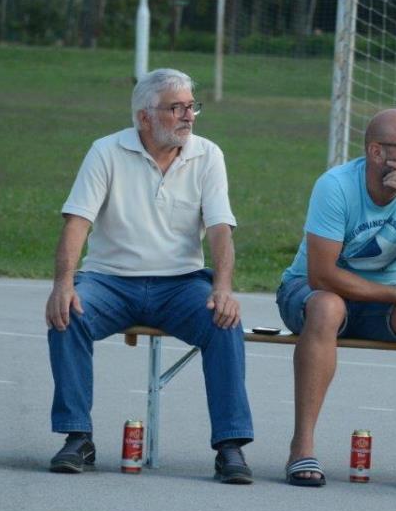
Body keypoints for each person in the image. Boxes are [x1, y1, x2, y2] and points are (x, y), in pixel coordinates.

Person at [45, 69, 254, 484]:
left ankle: (230, 446)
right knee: (69, 313)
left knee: (224, 320)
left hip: (181, 283)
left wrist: (223, 288)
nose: (188, 116)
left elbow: (220, 228)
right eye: (176, 108)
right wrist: (63, 284)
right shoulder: (106, 151)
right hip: (109, 280)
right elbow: (77, 222)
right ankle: (77, 437)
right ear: (144, 116)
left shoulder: (208, 154)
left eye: (191, 106)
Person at [277, 109, 396, 492]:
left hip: (377, 299)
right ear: (376, 152)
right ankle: (301, 448)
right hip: (308, 291)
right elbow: (321, 275)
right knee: (328, 305)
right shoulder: (335, 185)